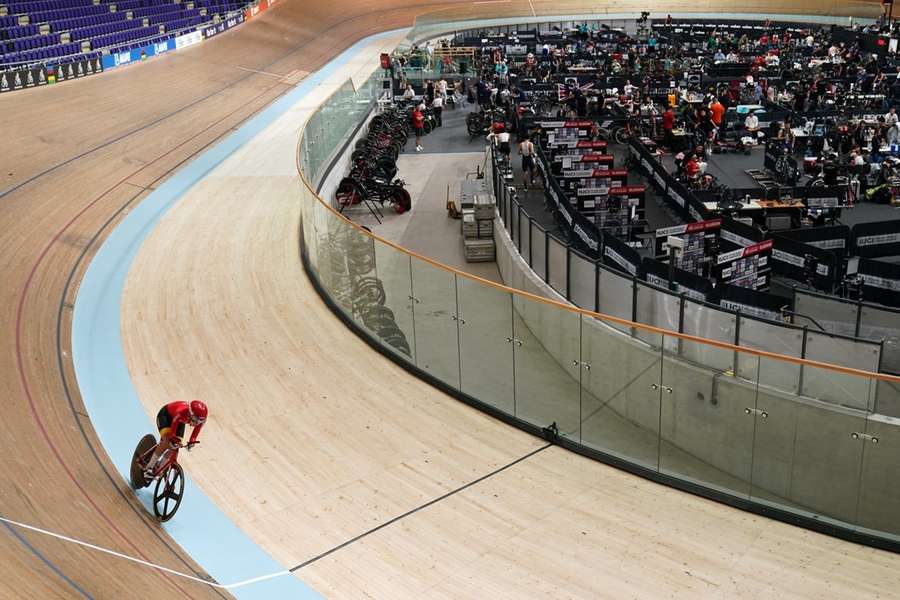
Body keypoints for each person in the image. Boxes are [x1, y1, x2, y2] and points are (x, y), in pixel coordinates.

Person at [145, 400, 207, 478]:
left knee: (175, 446)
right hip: (166, 416)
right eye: (195, 420)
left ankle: (158, 466)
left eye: (199, 421)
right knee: (168, 442)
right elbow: (172, 434)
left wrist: (192, 441)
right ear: (191, 414)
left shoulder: (199, 420)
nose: (196, 423)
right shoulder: (181, 412)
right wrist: (172, 438)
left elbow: (195, 433)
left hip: (180, 421)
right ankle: (148, 468)